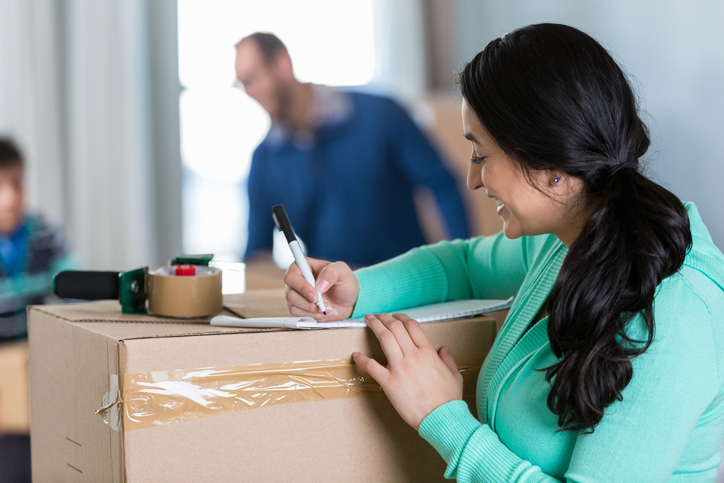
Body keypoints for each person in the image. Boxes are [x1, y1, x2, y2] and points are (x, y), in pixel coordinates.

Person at [283, 23, 724, 481]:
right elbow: (464, 265)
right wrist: (357, 290)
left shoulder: (675, 313)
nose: (474, 180)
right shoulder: (569, 236)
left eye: (480, 155)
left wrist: (444, 419)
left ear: (549, 160)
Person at [235, 32, 471, 267]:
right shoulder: (264, 160)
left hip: (409, 286)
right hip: (334, 297)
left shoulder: (380, 114)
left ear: (282, 62)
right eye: (243, 83)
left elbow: (442, 184)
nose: (249, 92)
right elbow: (257, 255)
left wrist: (461, 263)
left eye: (253, 78)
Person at [0, 137, 75, 483]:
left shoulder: (46, 236)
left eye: (15, 184)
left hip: (39, 374)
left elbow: (76, 293)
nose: (9, 199)